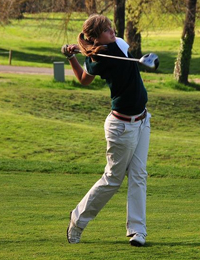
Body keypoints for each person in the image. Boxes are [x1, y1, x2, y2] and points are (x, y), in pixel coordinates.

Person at [61, 14, 151, 247]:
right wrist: (73, 56)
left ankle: (137, 231)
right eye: (106, 30)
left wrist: (85, 48)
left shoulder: (118, 44)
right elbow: (84, 79)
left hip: (142, 120)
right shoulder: (98, 61)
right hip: (121, 127)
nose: (112, 31)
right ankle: (78, 220)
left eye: (111, 27)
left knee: (139, 175)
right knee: (113, 179)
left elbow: (109, 45)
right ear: (96, 36)